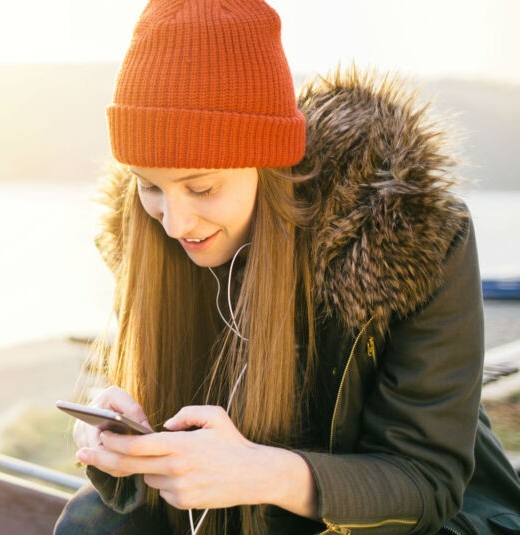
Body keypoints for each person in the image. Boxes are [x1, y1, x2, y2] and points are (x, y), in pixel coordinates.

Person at [53, 1, 520, 534]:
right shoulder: (149, 241)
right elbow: (180, 460)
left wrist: (263, 472)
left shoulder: (413, 239)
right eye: (151, 185)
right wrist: (126, 444)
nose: (175, 221)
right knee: (92, 521)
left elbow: (427, 484)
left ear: (267, 163)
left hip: (424, 522)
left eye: (201, 187)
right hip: (248, 516)